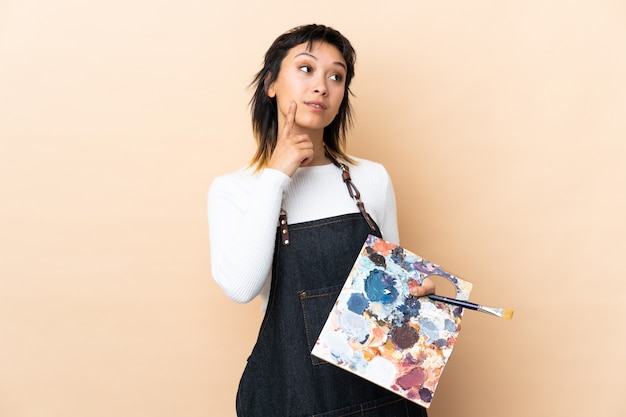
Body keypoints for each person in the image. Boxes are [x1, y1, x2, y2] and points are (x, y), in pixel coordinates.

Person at [208, 24, 435, 417]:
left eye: (336, 76)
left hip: (382, 399)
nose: (322, 86)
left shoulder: (371, 178)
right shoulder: (236, 189)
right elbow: (241, 288)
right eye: (306, 69)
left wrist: (420, 293)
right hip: (299, 401)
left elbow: (395, 292)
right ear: (270, 84)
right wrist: (276, 175)